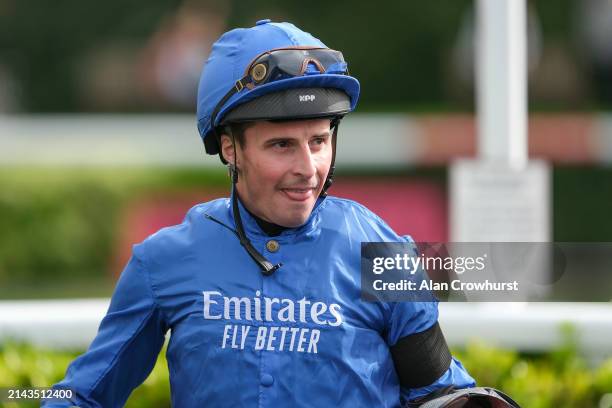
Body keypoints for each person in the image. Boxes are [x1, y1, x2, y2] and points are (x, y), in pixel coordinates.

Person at [43, 20, 520, 408]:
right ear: (230, 148)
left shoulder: (383, 253)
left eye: (319, 141)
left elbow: (439, 390)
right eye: (281, 146)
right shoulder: (164, 260)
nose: (307, 168)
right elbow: (83, 395)